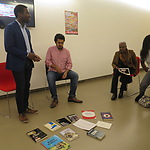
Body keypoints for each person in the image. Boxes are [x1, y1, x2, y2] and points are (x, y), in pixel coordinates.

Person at [4, 5, 41, 123]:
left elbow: (28, 47)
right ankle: (21, 112)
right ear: (19, 14)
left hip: (28, 63)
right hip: (17, 63)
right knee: (20, 87)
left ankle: (25, 107)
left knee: (26, 85)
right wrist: (26, 54)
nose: (29, 15)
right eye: (27, 13)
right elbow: (9, 48)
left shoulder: (27, 30)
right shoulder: (10, 28)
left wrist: (33, 55)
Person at [45, 33, 83, 108]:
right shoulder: (50, 50)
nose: (60, 44)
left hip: (64, 71)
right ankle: (55, 98)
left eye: (62, 43)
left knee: (75, 75)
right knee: (50, 77)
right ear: (55, 42)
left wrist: (66, 72)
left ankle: (71, 96)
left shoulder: (66, 51)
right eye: (59, 42)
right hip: (53, 71)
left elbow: (69, 63)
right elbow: (47, 61)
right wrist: (56, 67)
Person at [135, 35, 150, 102]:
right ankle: (141, 94)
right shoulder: (144, 52)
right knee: (143, 85)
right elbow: (142, 62)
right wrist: (147, 70)